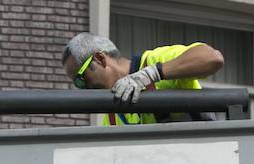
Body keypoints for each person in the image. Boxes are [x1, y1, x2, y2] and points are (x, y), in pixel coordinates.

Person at [61, 33, 224, 125]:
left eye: (81, 80)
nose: (84, 88)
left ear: (100, 59)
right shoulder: (111, 118)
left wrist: (153, 73)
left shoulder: (154, 60)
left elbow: (212, 58)